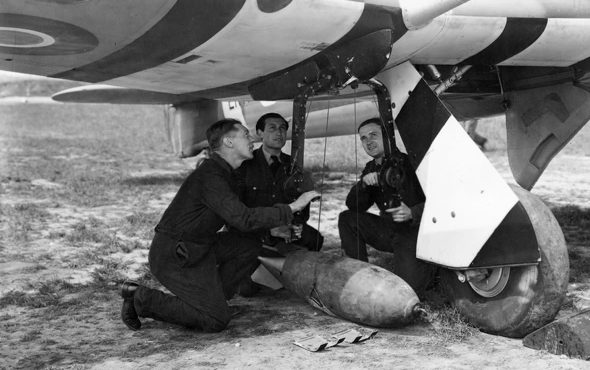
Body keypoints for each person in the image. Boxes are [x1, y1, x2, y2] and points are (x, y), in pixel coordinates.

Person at [119, 119, 320, 332]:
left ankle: (215, 299)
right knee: (215, 320)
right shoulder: (211, 175)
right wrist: (291, 208)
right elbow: (243, 218)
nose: (252, 139)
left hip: (199, 246)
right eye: (245, 135)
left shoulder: (228, 173)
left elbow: (243, 216)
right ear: (228, 142)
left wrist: (274, 227)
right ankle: (140, 297)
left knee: (249, 245)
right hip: (174, 254)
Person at [338, 118, 436, 297]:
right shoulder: (370, 168)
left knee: (407, 291)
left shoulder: (410, 163)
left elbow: (440, 200)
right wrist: (363, 185)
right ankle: (358, 274)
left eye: (373, 135)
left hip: (413, 233)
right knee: (347, 218)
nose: (368, 141)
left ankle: (433, 269)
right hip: (387, 230)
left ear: (387, 137)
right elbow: (353, 206)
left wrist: (413, 212)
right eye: (363, 138)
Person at [235, 113, 323, 295]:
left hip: (284, 230)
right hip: (254, 232)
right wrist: (268, 230)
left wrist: (296, 225)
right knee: (245, 290)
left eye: (283, 128)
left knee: (313, 238)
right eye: (272, 128)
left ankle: (292, 273)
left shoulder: (294, 166)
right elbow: (237, 213)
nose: (279, 133)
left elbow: (302, 207)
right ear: (260, 133)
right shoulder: (245, 165)